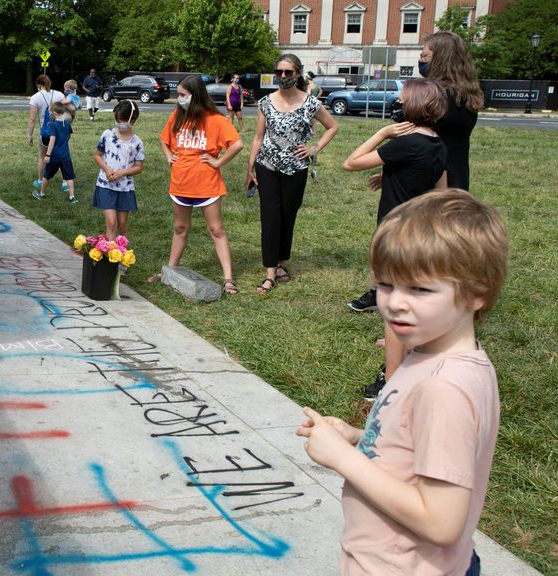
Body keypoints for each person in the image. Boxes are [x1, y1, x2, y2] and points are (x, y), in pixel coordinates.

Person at [295, 189, 509, 576]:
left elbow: (441, 523)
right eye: (385, 285)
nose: (394, 302)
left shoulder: (444, 387)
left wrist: (341, 459)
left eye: (419, 289)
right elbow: (420, 448)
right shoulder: (433, 354)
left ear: (478, 293)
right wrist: (360, 437)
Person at [342, 78, 450, 400]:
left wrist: (382, 134)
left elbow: (350, 163)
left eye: (401, 99)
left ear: (414, 105)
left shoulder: (405, 142)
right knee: (410, 296)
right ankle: (400, 343)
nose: (396, 103)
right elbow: (440, 192)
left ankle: (390, 380)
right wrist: (392, 174)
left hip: (395, 232)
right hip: (419, 230)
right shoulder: (437, 143)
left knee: (393, 303)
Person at [246, 54, 338, 294]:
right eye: (279, 72)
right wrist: (250, 166)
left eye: (288, 72)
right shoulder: (265, 102)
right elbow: (258, 137)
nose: (283, 77)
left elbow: (333, 126)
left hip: (296, 168)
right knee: (270, 216)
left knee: (288, 216)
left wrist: (315, 148)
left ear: (297, 74)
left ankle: (280, 263)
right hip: (267, 166)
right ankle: (269, 273)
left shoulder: (310, 103)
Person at [153, 75, 244, 295]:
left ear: (196, 95)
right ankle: (170, 270)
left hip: (207, 184)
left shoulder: (215, 119)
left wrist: (218, 162)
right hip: (181, 183)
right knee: (180, 228)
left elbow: (238, 144)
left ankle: (228, 278)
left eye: (183, 95)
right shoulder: (178, 116)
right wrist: (168, 157)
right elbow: (164, 140)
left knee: (216, 229)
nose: (179, 99)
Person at [420, 31, 483, 191]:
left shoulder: (436, 95)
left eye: (425, 56)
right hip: (458, 178)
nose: (421, 61)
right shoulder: (467, 93)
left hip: (432, 181)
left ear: (440, 60)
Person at [92, 100, 144, 239]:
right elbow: (97, 155)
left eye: (122, 120)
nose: (119, 123)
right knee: (111, 223)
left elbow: (139, 167)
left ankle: (122, 255)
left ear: (132, 119)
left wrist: (123, 172)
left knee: (121, 225)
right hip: (106, 184)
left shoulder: (137, 142)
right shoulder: (107, 135)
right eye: (117, 119)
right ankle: (110, 257)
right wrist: (107, 169)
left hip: (125, 188)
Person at [27, 75, 67, 193]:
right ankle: (65, 182)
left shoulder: (35, 97)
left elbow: (32, 119)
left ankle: (40, 179)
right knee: (61, 156)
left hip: (45, 132)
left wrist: (29, 135)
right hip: (59, 131)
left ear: (38, 84)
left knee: (42, 156)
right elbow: (67, 111)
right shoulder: (59, 95)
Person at [34, 102, 76, 203]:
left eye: (50, 111)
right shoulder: (67, 124)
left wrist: (47, 155)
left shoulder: (52, 125)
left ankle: (42, 194)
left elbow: (52, 140)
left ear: (54, 113)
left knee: (46, 175)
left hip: (54, 156)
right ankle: (72, 197)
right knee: (69, 177)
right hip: (66, 155)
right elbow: (68, 136)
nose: (50, 113)